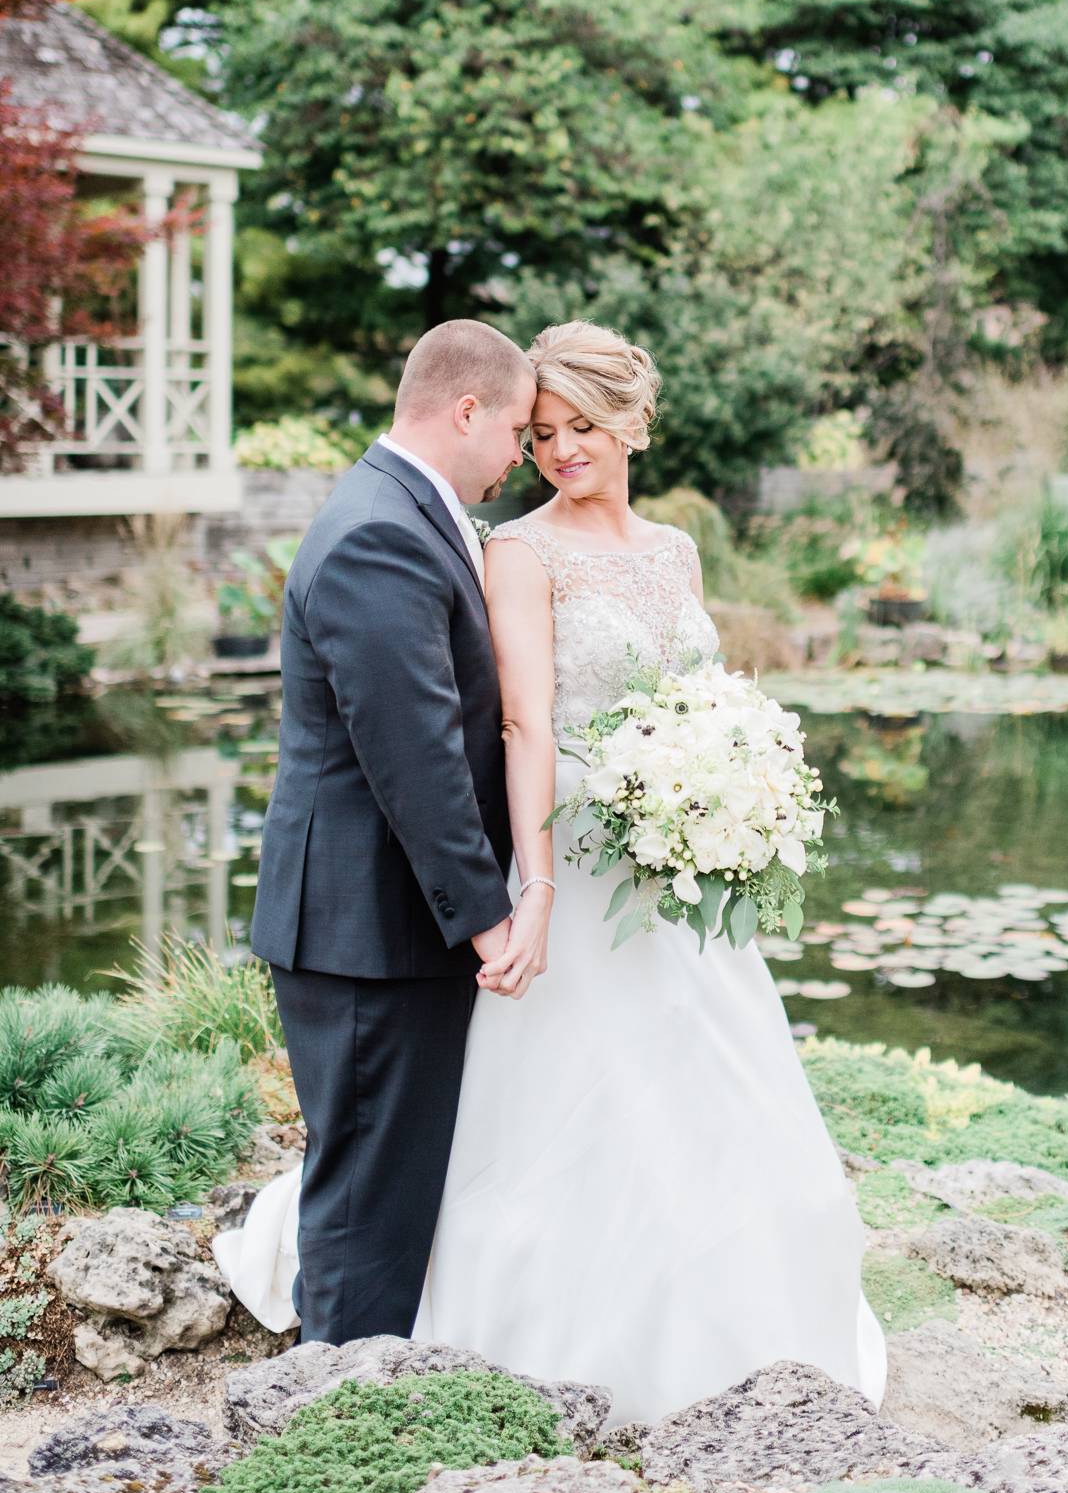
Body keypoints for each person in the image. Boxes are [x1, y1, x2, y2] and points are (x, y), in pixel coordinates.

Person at [224, 318, 884, 1419]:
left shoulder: (672, 550)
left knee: (701, 1110)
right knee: (481, 1132)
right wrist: (516, 895)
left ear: (633, 423)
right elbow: (489, 736)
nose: (553, 451)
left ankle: (731, 1328)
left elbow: (681, 700)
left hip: (666, 879)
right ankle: (348, 1392)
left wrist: (728, 783)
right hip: (557, 866)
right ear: (488, 421)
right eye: (539, 432)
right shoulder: (498, 547)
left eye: (579, 427)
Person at [244, 319, 537, 1346]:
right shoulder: (379, 531)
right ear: (465, 410)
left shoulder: (405, 509)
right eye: (513, 430)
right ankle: (333, 1410)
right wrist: (487, 919)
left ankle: (357, 1385)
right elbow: (411, 755)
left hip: (377, 925)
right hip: (366, 932)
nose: (519, 456)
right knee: (366, 1199)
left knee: (383, 1178)